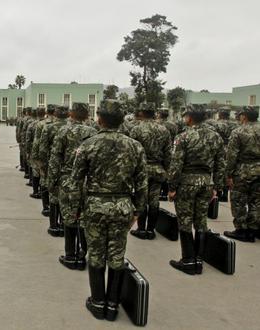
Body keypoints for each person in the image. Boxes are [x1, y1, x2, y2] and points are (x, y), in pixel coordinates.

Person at [71, 100, 147, 321]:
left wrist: (76, 208)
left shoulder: (88, 144)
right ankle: (112, 305)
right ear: (122, 120)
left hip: (95, 205)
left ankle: (98, 302)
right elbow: (142, 182)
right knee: (117, 254)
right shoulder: (135, 146)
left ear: (100, 119)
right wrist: (138, 210)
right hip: (123, 205)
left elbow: (76, 181)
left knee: (96, 253)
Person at [168, 105, 225, 275]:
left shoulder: (183, 137)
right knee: (201, 221)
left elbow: (176, 164)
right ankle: (199, 260)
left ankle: (187, 260)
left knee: (185, 221)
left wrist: (172, 187)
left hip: (187, 182)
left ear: (190, 118)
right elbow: (220, 164)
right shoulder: (216, 137)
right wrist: (217, 187)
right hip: (206, 182)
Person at [49, 103, 97, 269]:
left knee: (69, 218)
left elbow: (55, 158)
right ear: (85, 116)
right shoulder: (93, 132)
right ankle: (83, 253)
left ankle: (71, 256)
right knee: (84, 218)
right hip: (87, 180)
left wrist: (52, 182)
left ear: (71, 113)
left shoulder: (63, 131)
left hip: (68, 179)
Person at [129, 103, 172, 240]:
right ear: (154, 113)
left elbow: (132, 152)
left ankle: (141, 229)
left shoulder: (136, 130)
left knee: (141, 199)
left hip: (142, 169)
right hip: (158, 169)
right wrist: (166, 170)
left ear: (141, 113)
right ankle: (151, 230)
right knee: (154, 201)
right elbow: (168, 154)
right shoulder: (164, 130)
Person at [224, 106, 260, 242]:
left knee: (238, 200)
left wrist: (228, 174)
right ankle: (254, 229)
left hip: (243, 170)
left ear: (244, 116)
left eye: (240, 115)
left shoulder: (238, 132)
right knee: (257, 201)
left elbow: (231, 156)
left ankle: (242, 230)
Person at [37, 105, 69, 235]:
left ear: (55, 114)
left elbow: (42, 150)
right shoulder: (78, 129)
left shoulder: (48, 127)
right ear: (68, 115)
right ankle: (64, 224)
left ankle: (54, 226)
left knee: (54, 197)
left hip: (53, 166)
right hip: (71, 169)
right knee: (68, 199)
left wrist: (43, 168)